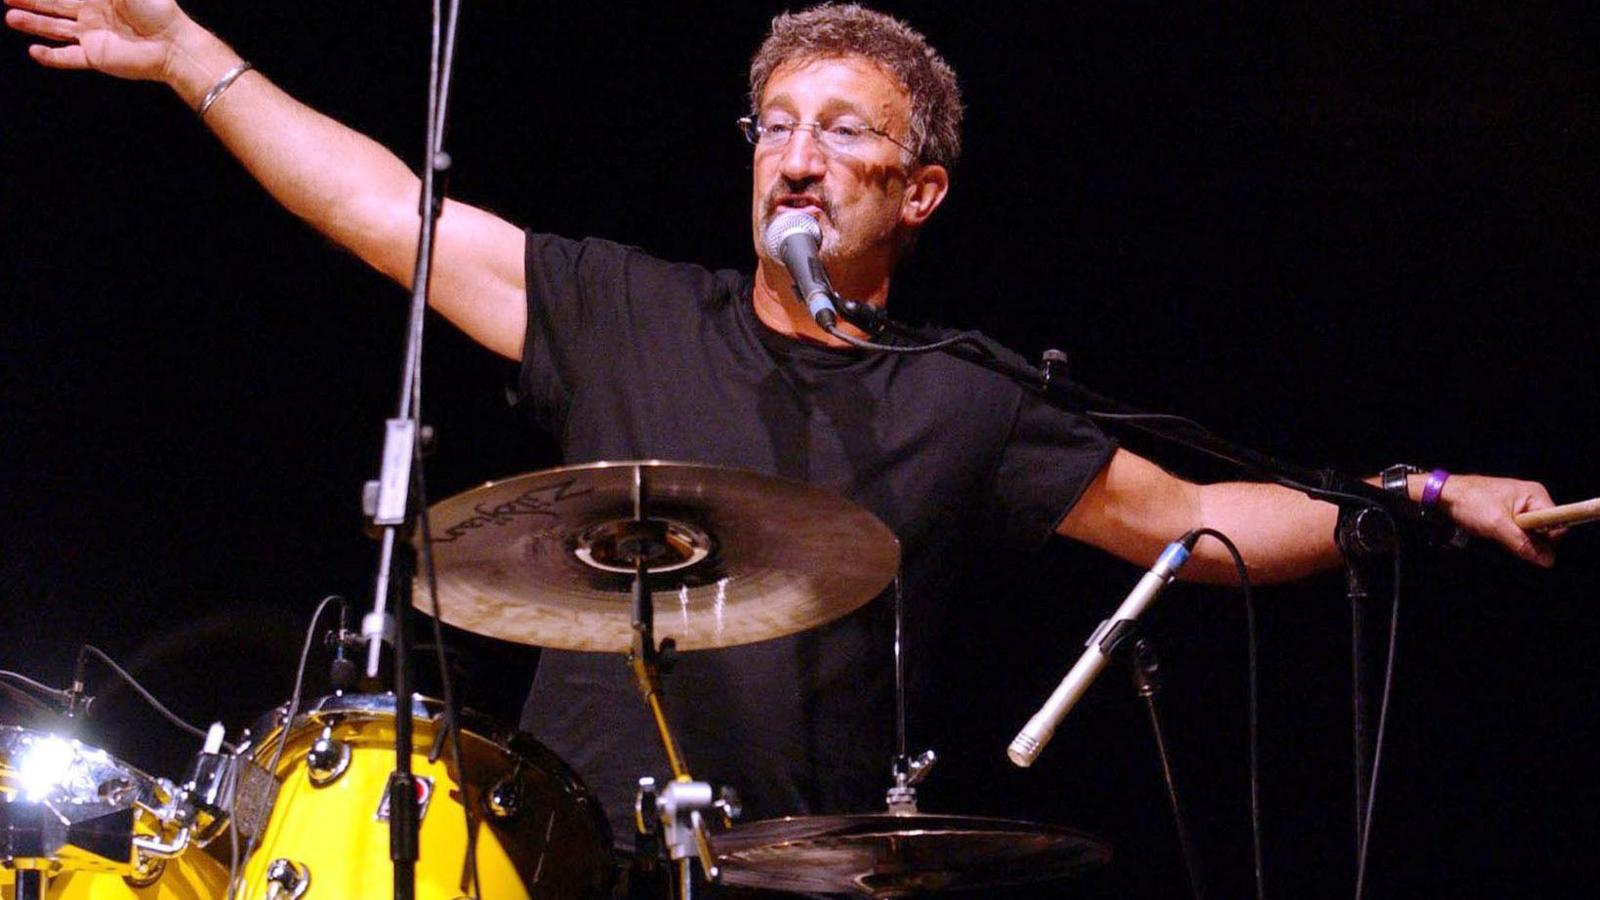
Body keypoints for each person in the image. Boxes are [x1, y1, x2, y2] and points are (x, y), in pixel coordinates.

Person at [5, 0, 1560, 878]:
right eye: (778, 127)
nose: (798, 160)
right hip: (546, 852)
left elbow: (1185, 517)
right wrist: (197, 61)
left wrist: (1415, 499)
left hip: (797, 873)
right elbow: (379, 211)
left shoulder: (962, 392)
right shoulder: (624, 309)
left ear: (920, 191)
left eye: (844, 131)